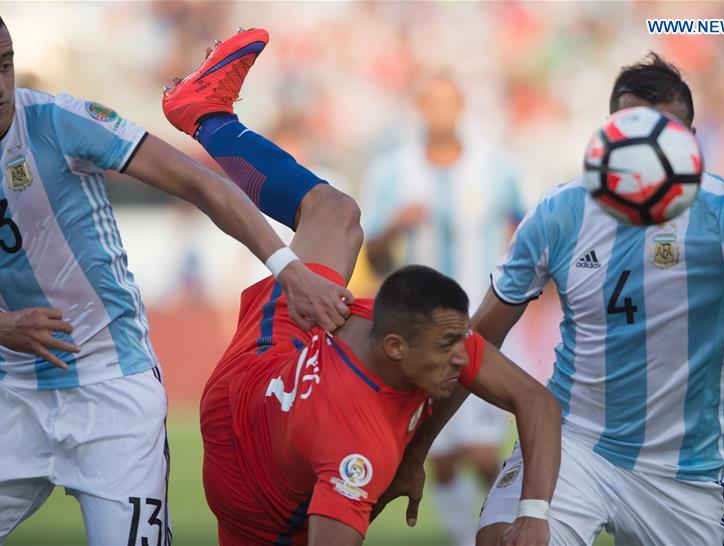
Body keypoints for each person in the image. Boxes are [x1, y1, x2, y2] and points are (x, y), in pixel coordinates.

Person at [0, 2, 351, 545]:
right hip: (8, 392)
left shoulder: (58, 121)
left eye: (6, 64)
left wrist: (287, 268)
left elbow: (201, 184)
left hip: (113, 387)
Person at [380, 53, 724, 546]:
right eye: (630, 131)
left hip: (682, 474)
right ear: (607, 135)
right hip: (572, 443)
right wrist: (416, 452)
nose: (643, 155)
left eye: (660, 135)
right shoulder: (560, 213)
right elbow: (473, 347)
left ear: (689, 141)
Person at [160, 28, 562, 545]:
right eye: (448, 350)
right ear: (394, 347)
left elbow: (540, 404)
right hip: (246, 455)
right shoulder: (359, 447)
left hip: (291, 356)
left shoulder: (429, 336)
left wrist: (532, 515)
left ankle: (204, 114)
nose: (463, 361)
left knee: (335, 212)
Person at [362, 73, 524, 545]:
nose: (440, 114)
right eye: (431, 105)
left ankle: (501, 524)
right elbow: (374, 255)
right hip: (420, 333)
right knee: (442, 454)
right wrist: (395, 225)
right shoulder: (392, 171)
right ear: (420, 109)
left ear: (460, 108)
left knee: (480, 451)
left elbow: (526, 227)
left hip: (484, 324)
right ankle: (461, 535)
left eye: (448, 105)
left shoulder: (496, 166)